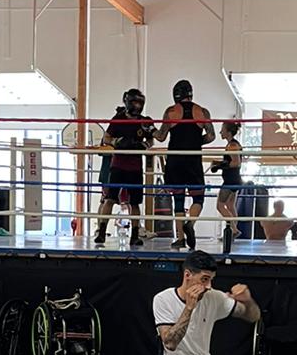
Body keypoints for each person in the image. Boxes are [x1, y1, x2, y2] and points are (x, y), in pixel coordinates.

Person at [153, 250, 261, 355]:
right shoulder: (163, 299)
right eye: (204, 279)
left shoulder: (213, 297)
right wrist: (189, 307)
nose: (209, 286)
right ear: (187, 275)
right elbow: (170, 343)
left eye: (211, 279)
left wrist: (248, 300)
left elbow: (253, 316)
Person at [155, 79, 214, 250]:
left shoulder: (171, 111)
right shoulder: (202, 112)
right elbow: (211, 136)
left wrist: (148, 128)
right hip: (193, 158)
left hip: (175, 160)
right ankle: (191, 223)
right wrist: (196, 142)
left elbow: (160, 136)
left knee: (178, 199)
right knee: (198, 197)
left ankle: (180, 238)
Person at [94, 88, 154, 247]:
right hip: (118, 165)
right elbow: (106, 138)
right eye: (135, 102)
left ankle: (134, 235)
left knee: (134, 203)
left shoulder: (143, 121)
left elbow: (152, 140)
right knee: (110, 199)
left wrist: (144, 145)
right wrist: (117, 143)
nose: (138, 105)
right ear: (128, 102)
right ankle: (101, 232)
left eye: (140, 102)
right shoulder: (118, 119)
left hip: (135, 168)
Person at [212, 120, 243, 253]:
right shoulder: (233, 144)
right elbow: (232, 161)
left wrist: (219, 165)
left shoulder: (232, 145)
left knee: (220, 205)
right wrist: (219, 163)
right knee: (230, 206)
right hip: (235, 179)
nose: (220, 132)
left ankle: (234, 229)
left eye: (222, 129)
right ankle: (234, 230)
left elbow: (236, 163)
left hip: (231, 180)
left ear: (228, 131)